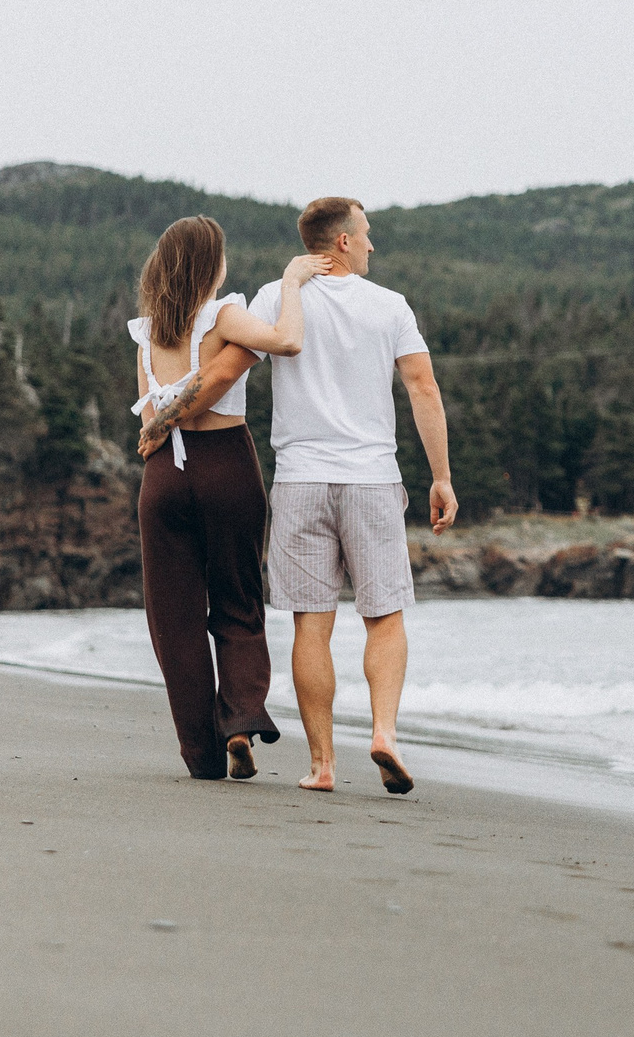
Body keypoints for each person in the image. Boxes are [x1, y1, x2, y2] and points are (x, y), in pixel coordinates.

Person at [140, 196, 454, 795]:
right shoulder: (390, 305)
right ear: (342, 241)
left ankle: (322, 764)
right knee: (384, 617)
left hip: (300, 479)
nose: (371, 244)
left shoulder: (269, 298)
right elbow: (424, 387)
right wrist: (440, 476)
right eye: (366, 234)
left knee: (313, 624)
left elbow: (221, 371)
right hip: (371, 478)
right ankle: (384, 734)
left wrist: (161, 421)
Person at [128, 215, 331, 781]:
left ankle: (202, 755)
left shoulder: (146, 332)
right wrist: (291, 282)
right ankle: (240, 719)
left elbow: (150, 421)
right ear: (211, 265)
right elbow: (288, 340)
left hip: (163, 478)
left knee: (174, 619)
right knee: (238, 598)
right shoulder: (223, 315)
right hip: (226, 466)